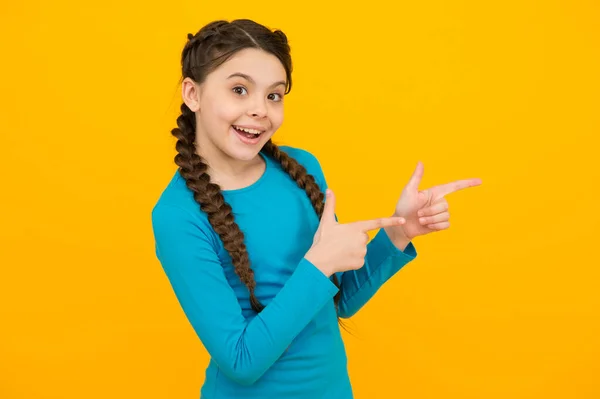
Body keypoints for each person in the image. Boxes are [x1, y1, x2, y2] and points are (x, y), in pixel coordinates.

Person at [151, 18, 482, 399]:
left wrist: (399, 231)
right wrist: (318, 265)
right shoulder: (178, 215)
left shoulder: (302, 168)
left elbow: (338, 300)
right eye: (239, 90)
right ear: (192, 94)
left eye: (274, 95)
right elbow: (241, 361)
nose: (260, 110)